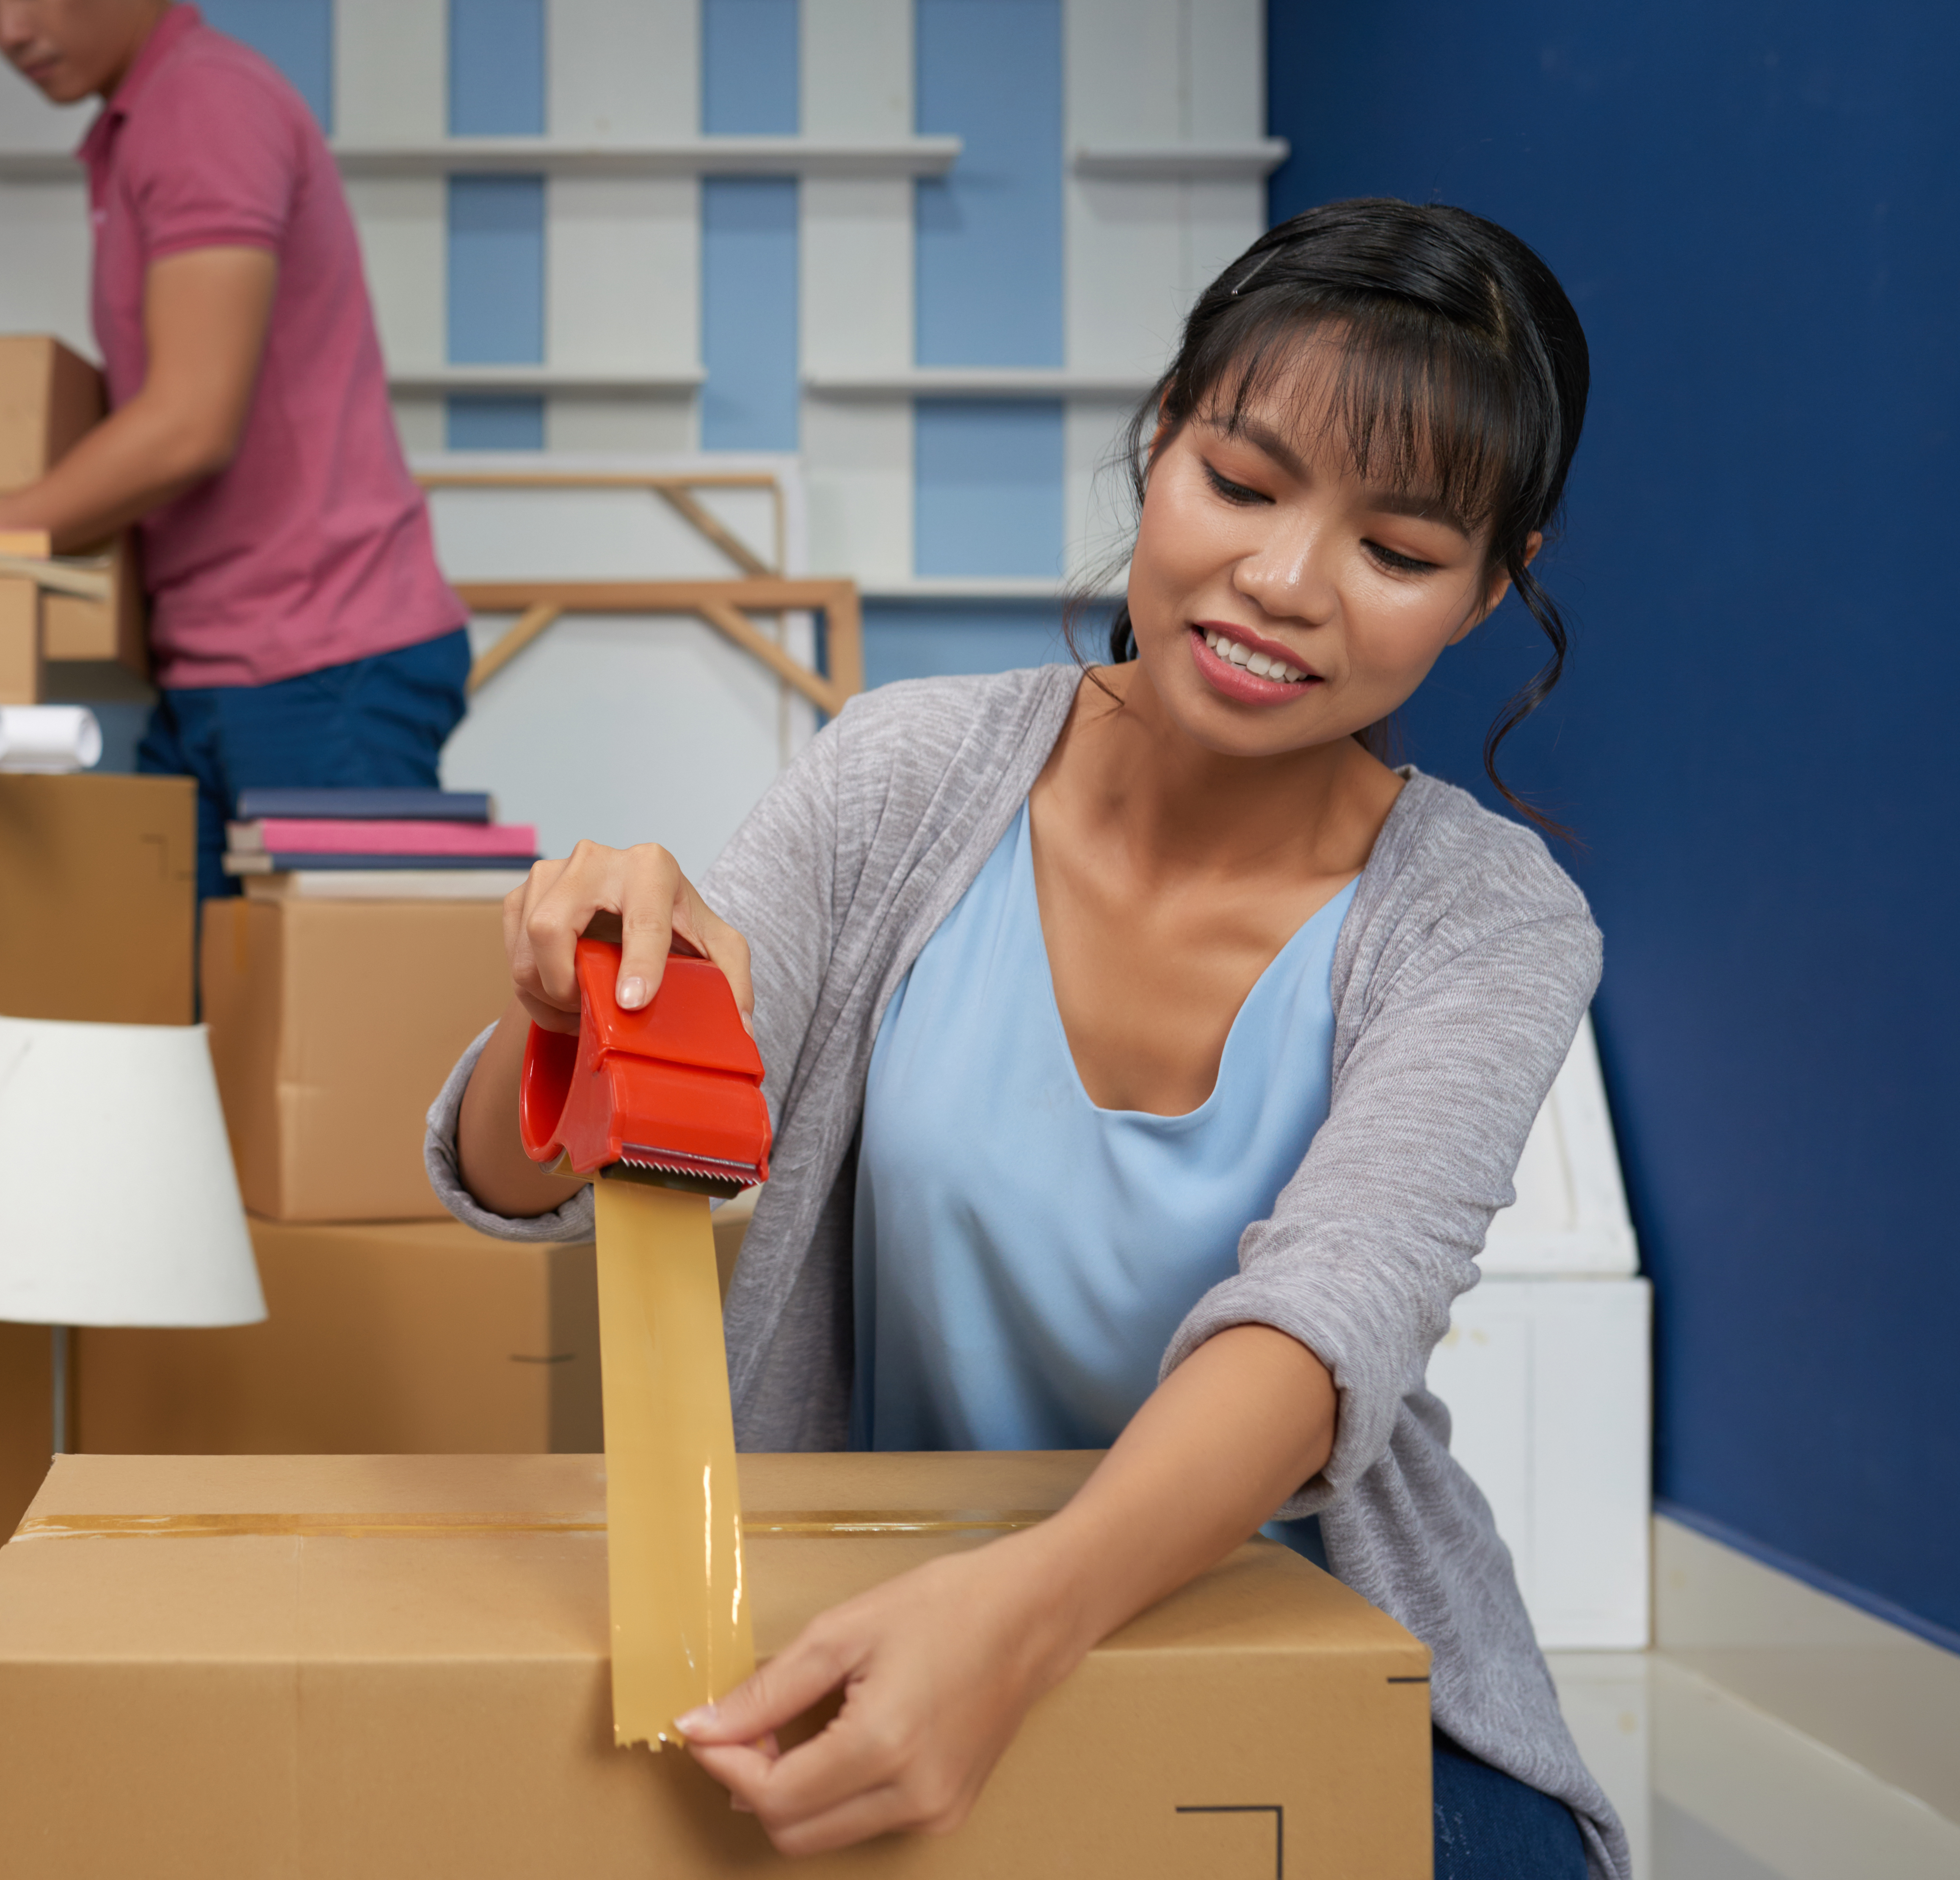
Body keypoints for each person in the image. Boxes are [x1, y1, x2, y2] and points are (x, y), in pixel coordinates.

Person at [428, 199, 1626, 1880]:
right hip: (867, 1589)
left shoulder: (1488, 918)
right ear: (1158, 445)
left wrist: (1019, 1626)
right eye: (1242, 481)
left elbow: (1322, 1328)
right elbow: (545, 1180)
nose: (1282, 585)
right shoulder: (902, 778)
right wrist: (564, 1008)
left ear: (1489, 593)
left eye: (1398, 551)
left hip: (1285, 1611)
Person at [0, 0, 472, 897]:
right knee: (207, 1029)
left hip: (321, 659)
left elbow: (188, 423)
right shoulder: (139, 125)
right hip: (228, 662)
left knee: (338, 1046)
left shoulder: (201, 107)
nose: (7, 28)